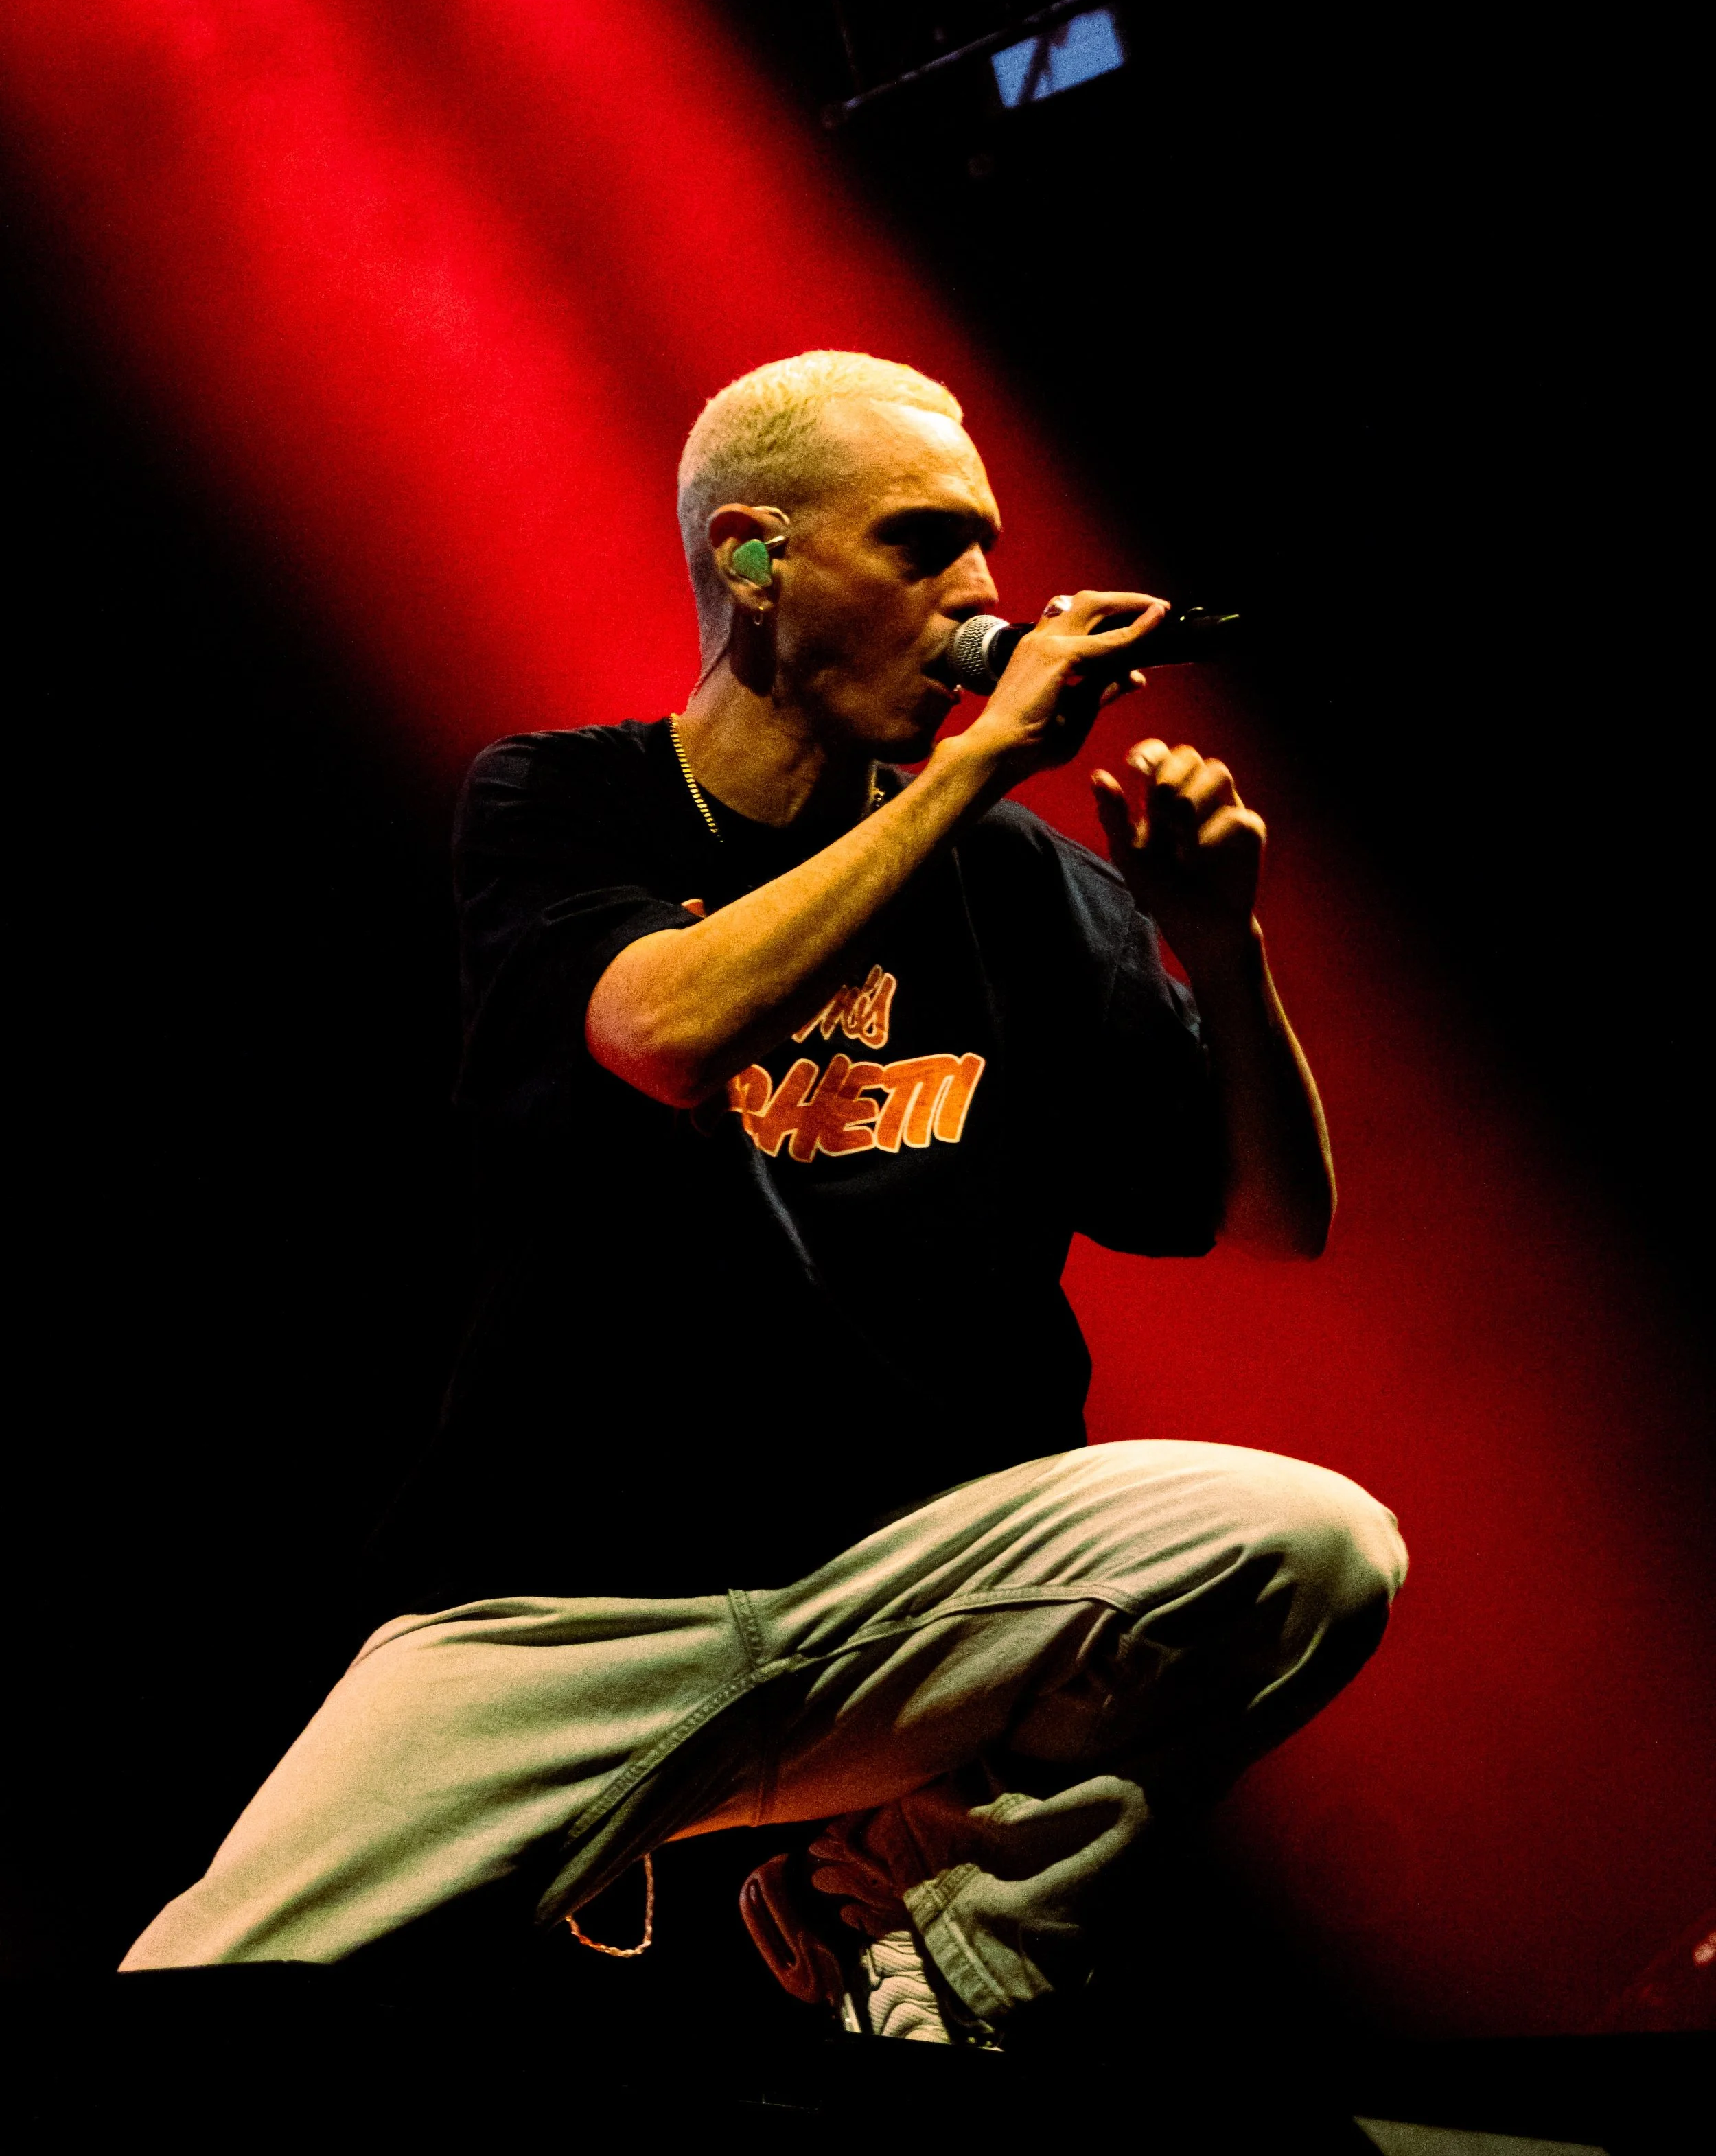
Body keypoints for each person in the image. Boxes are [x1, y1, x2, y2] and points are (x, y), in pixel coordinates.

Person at [121, 351, 1406, 2043]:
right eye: (922, 545)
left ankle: (916, 1913)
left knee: (1309, 1542)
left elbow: (1268, 1218)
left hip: (910, 1594)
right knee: (199, 2004)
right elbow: (657, 1032)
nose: (982, 597)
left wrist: (1219, 945)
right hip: (571, 1611)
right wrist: (978, 767)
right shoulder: (560, 800)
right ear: (750, 558)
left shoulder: (1024, 884)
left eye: (988, 548)